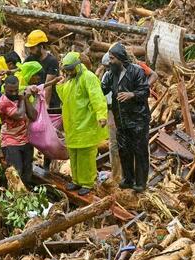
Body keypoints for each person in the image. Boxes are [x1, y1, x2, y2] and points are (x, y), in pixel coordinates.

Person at [57, 52, 108, 196]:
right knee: (74, 154)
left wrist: (101, 115)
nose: (68, 73)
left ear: (78, 66)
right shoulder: (71, 80)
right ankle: (77, 180)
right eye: (66, 71)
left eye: (70, 70)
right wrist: (60, 87)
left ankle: (87, 182)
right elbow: (66, 99)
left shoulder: (89, 77)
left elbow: (97, 97)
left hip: (86, 125)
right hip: (73, 125)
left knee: (86, 155)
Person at [101, 52, 158, 183]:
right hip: (113, 110)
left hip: (132, 110)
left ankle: (140, 178)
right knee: (115, 144)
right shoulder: (108, 74)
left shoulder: (136, 67)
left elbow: (154, 75)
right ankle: (118, 176)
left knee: (138, 145)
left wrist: (140, 89)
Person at [25, 30, 60, 173]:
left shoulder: (51, 61)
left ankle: (47, 165)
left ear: (41, 46)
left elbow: (49, 85)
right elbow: (24, 77)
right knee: (29, 131)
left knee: (47, 133)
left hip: (49, 102)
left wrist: (44, 106)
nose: (31, 50)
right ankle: (29, 160)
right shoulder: (29, 60)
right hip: (33, 101)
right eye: (30, 48)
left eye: (33, 47)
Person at [0, 75, 38, 187]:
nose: (14, 93)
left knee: (27, 171)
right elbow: (19, 115)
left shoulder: (20, 98)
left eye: (16, 90)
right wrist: (23, 98)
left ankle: (26, 198)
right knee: (16, 172)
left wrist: (26, 99)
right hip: (11, 140)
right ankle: (14, 197)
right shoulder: (3, 102)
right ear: (4, 88)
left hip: (26, 138)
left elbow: (33, 116)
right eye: (10, 91)